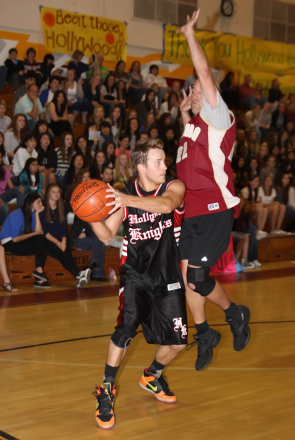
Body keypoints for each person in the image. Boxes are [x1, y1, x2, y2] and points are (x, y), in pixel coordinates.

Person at [90, 138, 187, 429]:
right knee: (127, 326)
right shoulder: (125, 196)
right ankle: (105, 390)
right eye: (158, 162)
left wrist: (125, 200)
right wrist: (90, 213)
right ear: (141, 167)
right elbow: (107, 234)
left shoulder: (174, 186)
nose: (165, 166)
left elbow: (168, 206)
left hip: (167, 276)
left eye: (164, 161)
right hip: (135, 274)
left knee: (178, 343)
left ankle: (152, 375)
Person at [176, 9, 251, 371]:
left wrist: (190, 34)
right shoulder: (190, 128)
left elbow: (204, 74)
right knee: (190, 278)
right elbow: (188, 154)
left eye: (198, 91)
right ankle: (205, 333)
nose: (194, 92)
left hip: (215, 211)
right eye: (190, 92)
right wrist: (183, 114)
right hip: (190, 215)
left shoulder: (220, 119)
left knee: (198, 278)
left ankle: (235, 314)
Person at [40, 184, 91, 288]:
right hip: (47, 240)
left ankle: (79, 276)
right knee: (62, 253)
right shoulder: (43, 209)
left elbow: (63, 228)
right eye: (53, 191)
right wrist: (58, 243)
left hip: (59, 239)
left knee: (65, 250)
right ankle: (79, 274)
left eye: (58, 192)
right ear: (48, 193)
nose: (56, 194)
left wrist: (63, 241)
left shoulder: (61, 208)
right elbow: (44, 232)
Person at [0, 192, 49, 288]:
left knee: (41, 241)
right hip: (9, 243)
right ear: (31, 203)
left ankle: (39, 271)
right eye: (39, 202)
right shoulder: (17, 214)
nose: (41, 205)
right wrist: (34, 233)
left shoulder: (32, 213)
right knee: (42, 246)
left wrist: (37, 214)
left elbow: (39, 232)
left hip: (19, 241)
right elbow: (14, 239)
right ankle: (38, 278)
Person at [0, 151, 25, 224]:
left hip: (3, 195)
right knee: (5, 208)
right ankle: (2, 227)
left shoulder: (4, 170)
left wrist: (21, 188)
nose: (0, 159)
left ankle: (21, 217)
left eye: (1, 157)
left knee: (19, 189)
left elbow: (11, 187)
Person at [241, 175, 268, 239]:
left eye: (258, 181)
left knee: (265, 209)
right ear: (250, 182)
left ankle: (261, 229)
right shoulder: (245, 190)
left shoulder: (256, 191)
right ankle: (258, 230)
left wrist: (257, 204)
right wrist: (256, 205)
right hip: (246, 211)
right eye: (255, 181)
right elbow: (246, 206)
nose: (257, 183)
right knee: (260, 209)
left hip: (252, 209)